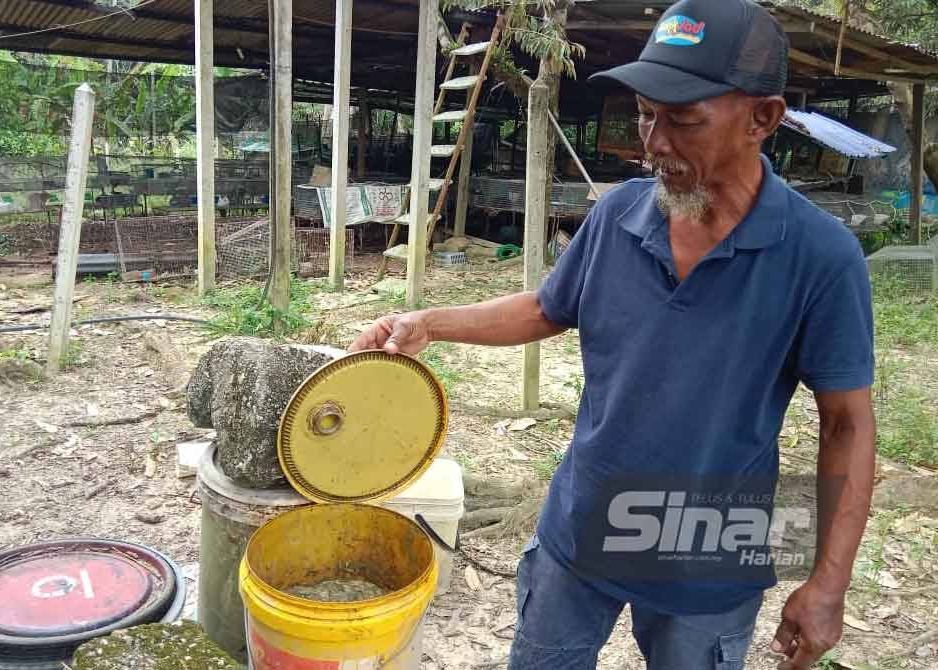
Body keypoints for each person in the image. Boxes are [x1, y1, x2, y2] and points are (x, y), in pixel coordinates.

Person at [349, 0, 876, 667]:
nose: (654, 142)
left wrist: (829, 581)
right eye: (646, 115)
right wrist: (428, 322)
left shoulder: (820, 256)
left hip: (709, 550)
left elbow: (846, 424)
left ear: (762, 119)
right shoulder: (620, 213)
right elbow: (548, 307)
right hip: (584, 522)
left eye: (682, 120)